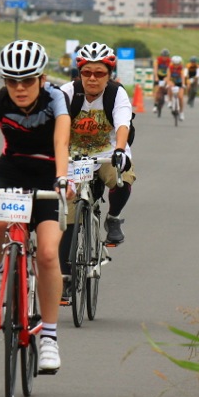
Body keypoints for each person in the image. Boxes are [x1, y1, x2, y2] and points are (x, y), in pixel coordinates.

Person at [0, 40, 71, 372]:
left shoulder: (56, 99)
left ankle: (49, 337)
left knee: (49, 254)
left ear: (41, 78)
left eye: (27, 81)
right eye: (11, 81)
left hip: (50, 173)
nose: (19, 88)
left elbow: (61, 141)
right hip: (12, 171)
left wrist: (63, 178)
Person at [59, 42, 135, 300]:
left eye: (99, 73)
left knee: (119, 178)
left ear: (109, 75)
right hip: (73, 156)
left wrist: (121, 150)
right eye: (87, 73)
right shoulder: (67, 93)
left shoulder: (116, 94)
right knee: (67, 211)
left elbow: (123, 123)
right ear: (79, 73)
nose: (92, 78)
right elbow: (55, 127)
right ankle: (66, 278)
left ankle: (113, 218)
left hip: (107, 152)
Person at [166, 55, 186, 121]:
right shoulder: (170, 68)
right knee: (169, 86)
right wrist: (168, 83)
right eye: (175, 64)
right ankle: (170, 101)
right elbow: (168, 77)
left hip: (179, 83)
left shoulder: (181, 68)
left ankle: (181, 112)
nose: (176, 65)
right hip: (172, 81)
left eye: (178, 64)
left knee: (180, 97)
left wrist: (183, 84)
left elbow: (183, 76)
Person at [152, 48, 171, 114]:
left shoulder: (169, 61)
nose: (164, 58)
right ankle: (155, 105)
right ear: (161, 55)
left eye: (166, 56)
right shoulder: (157, 60)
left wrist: (167, 78)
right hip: (158, 76)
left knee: (168, 85)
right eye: (163, 56)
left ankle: (166, 96)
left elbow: (170, 70)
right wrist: (156, 77)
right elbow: (155, 69)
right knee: (157, 90)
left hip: (166, 76)